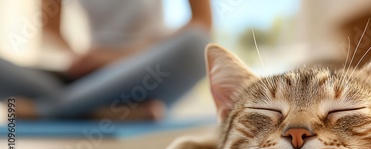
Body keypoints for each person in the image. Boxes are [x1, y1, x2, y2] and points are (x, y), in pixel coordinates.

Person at [0, 0, 212, 120]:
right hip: (90, 77)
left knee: (197, 44)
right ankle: (97, 111)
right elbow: (49, 29)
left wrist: (116, 57)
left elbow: (202, 22)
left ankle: (48, 110)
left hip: (146, 73)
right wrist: (75, 57)